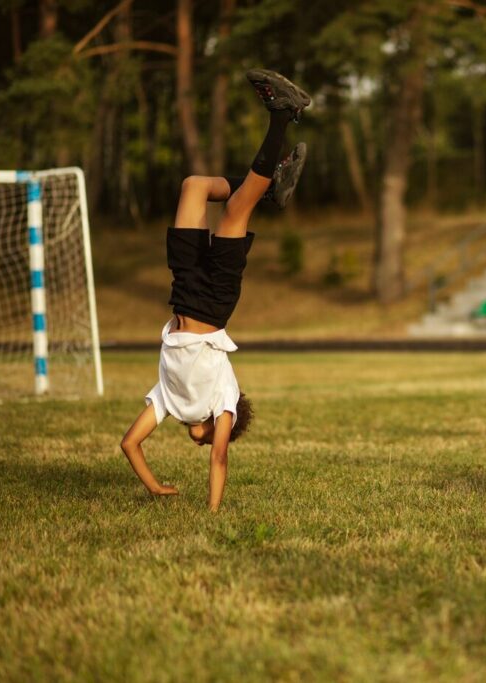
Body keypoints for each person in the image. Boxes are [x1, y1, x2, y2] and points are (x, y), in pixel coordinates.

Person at [119, 69, 311, 512]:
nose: (201, 446)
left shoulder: (168, 401)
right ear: (219, 425)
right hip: (215, 301)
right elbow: (221, 459)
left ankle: (265, 192)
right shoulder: (221, 402)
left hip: (183, 288)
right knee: (233, 211)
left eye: (204, 443)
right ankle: (284, 115)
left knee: (195, 186)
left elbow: (129, 444)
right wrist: (211, 511)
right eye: (206, 442)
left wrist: (155, 487)